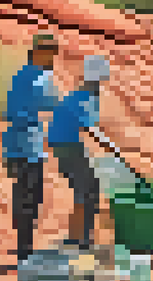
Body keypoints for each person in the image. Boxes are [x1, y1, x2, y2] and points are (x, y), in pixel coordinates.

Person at [5, 33, 62, 261]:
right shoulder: (40, 77)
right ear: (39, 53)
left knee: (22, 193)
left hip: (13, 143)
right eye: (50, 54)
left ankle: (23, 244)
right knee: (32, 195)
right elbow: (52, 103)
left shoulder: (19, 75)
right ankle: (24, 249)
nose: (53, 59)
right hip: (29, 144)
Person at [47, 55, 111, 251]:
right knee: (89, 188)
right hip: (67, 145)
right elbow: (89, 126)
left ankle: (78, 236)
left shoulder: (78, 94)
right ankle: (82, 239)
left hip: (62, 144)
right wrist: (110, 147)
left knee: (82, 189)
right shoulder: (88, 96)